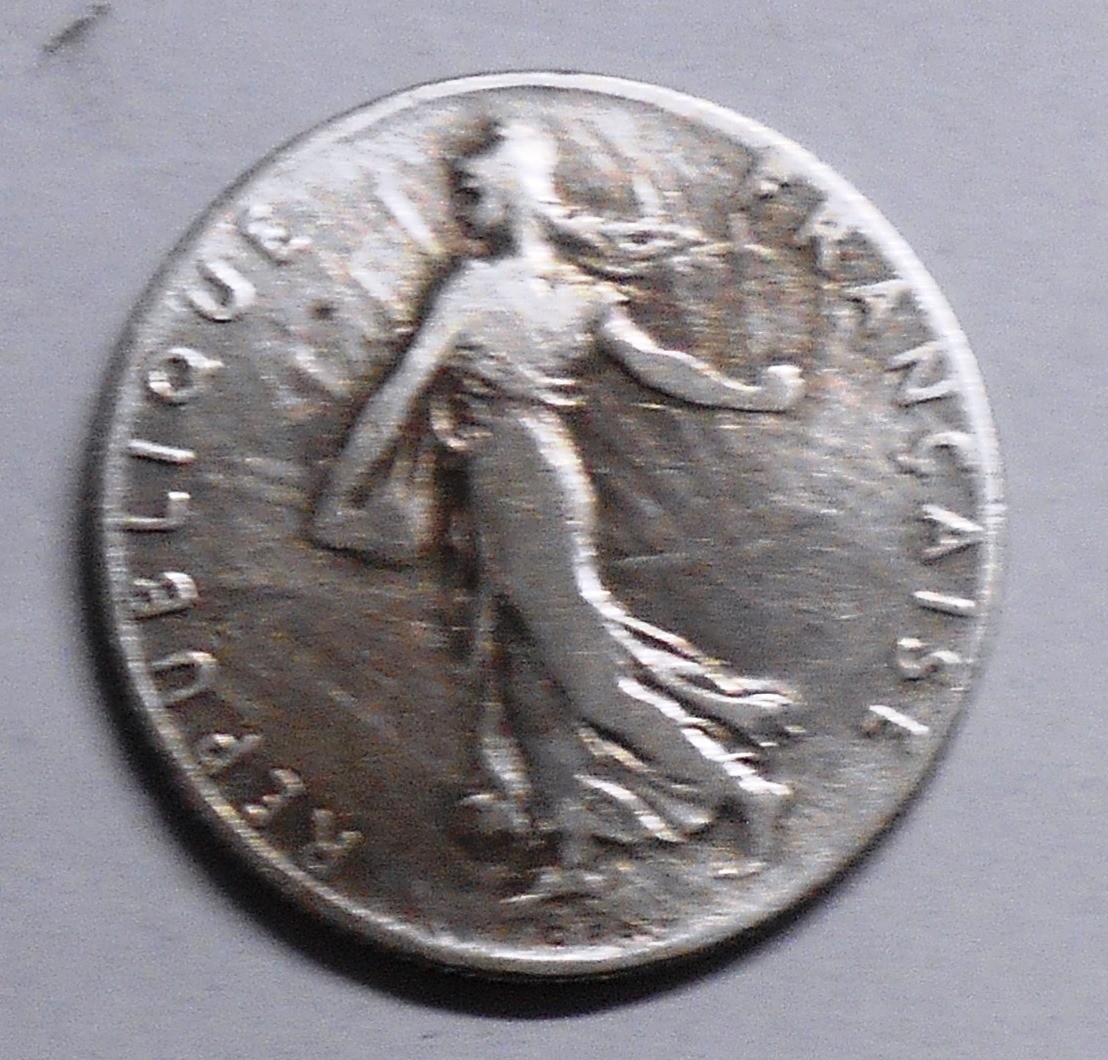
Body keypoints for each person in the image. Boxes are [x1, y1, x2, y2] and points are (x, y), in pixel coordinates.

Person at [311, 121, 805, 893]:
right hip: (512, 478)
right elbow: (660, 366)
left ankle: (746, 790)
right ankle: (572, 847)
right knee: (526, 675)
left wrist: (343, 492)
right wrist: (753, 396)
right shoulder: (574, 293)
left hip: (521, 479)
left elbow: (399, 394)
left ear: (508, 195)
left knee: (589, 675)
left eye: (471, 190)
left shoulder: (477, 287)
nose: (461, 207)